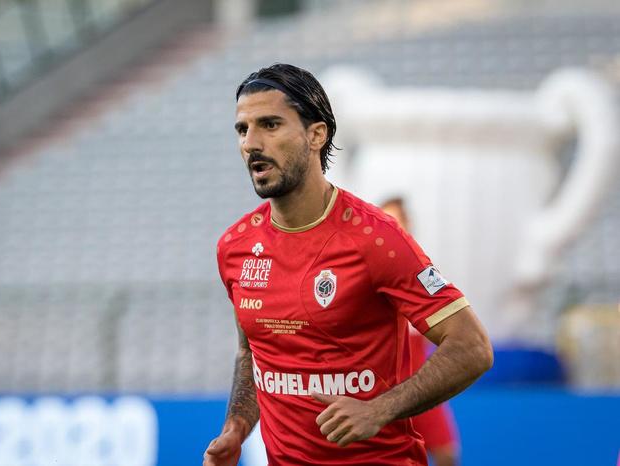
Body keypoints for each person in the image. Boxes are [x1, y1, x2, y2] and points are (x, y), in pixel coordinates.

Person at [204, 63, 493, 466]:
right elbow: (250, 352)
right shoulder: (234, 247)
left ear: (316, 135)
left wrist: (379, 409)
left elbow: (472, 346)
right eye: (242, 129)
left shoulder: (376, 238)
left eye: (270, 125)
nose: (251, 143)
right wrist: (236, 428)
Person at [381, 197, 461, 466]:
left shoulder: (423, 268)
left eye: (396, 220)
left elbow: (447, 314)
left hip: (421, 382)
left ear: (407, 225)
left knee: (446, 453)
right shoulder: (369, 268)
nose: (391, 226)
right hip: (385, 386)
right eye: (386, 220)